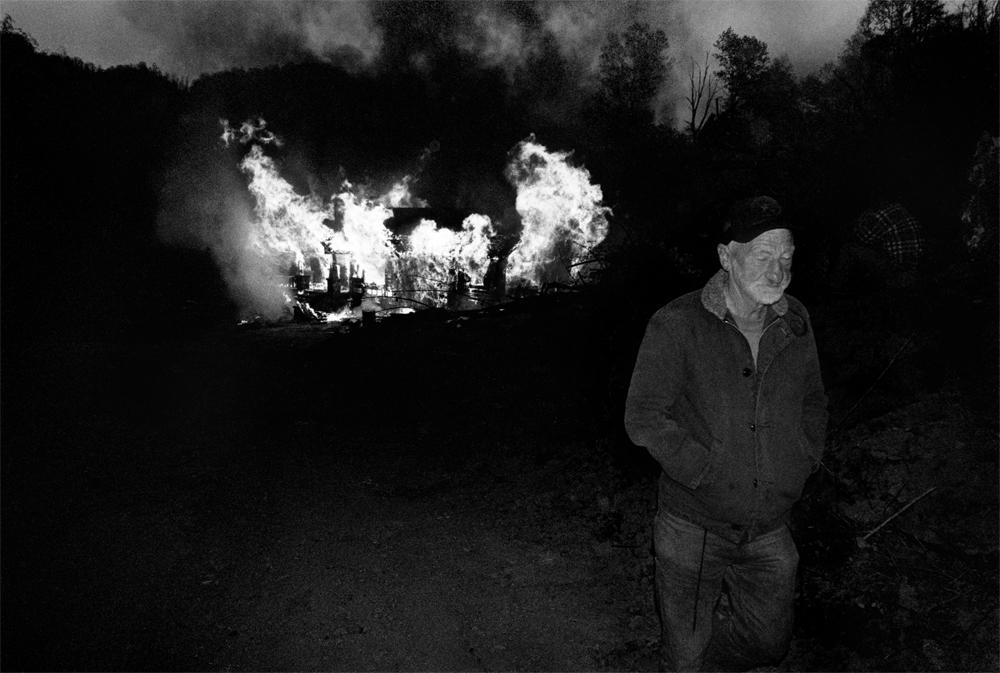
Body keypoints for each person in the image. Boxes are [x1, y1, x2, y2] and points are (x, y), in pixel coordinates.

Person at [625, 196, 828, 672]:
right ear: (725, 257)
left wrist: (803, 457)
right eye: (762, 255)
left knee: (769, 644)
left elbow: (814, 400)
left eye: (786, 257)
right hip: (694, 526)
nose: (777, 271)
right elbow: (643, 416)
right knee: (686, 655)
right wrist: (703, 469)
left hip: (769, 524)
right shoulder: (676, 324)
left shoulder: (795, 321)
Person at [829, 192, 925, 292]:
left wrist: (865, 215)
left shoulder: (884, 215)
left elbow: (861, 236)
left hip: (896, 271)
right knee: (871, 252)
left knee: (849, 249)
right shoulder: (902, 211)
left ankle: (832, 289)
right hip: (912, 270)